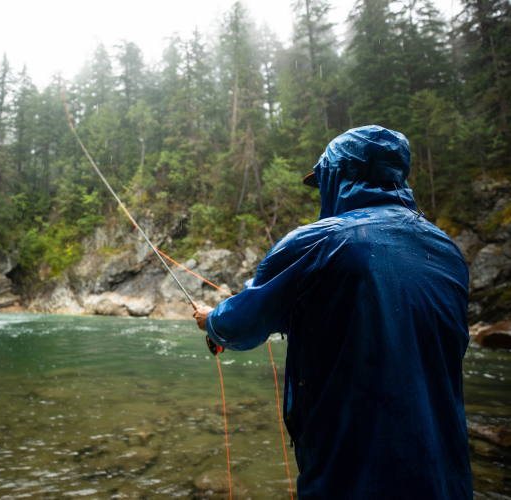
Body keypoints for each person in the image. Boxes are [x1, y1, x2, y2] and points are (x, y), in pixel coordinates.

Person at [193, 125, 473, 499]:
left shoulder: (318, 241)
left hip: (351, 476)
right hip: (446, 479)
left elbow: (240, 325)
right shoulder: (447, 251)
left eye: (323, 179)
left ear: (340, 176)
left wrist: (211, 321)